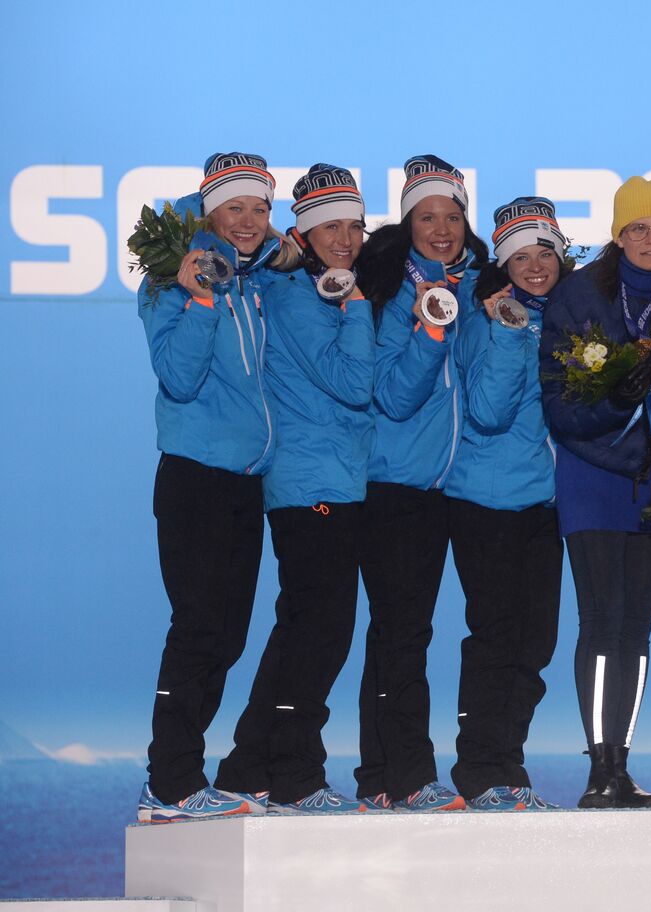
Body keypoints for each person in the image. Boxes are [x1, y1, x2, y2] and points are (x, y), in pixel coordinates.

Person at [136, 152, 299, 821]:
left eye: (261, 208)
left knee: (226, 635)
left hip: (243, 482)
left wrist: (284, 261)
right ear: (208, 212)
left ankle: (181, 781)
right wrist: (201, 294)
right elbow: (175, 375)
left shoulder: (253, 277)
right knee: (200, 629)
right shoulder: (171, 279)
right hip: (194, 478)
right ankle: (168, 783)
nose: (251, 220)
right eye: (236, 207)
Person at [212, 164, 374, 813]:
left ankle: (248, 764)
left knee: (305, 628)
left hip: (328, 481)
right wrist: (358, 310)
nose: (345, 238)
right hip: (311, 486)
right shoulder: (295, 295)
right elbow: (353, 383)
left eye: (354, 225)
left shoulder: (311, 287)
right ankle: (297, 773)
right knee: (320, 633)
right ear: (303, 233)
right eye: (329, 226)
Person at [541, 178, 651, 808]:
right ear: (618, 234)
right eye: (638, 228)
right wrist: (621, 400)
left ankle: (622, 765)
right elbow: (561, 409)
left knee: (637, 625)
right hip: (594, 477)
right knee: (600, 622)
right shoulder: (578, 295)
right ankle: (598, 770)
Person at [351, 155, 489, 812]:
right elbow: (396, 395)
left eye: (452, 216)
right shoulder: (389, 288)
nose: (441, 228)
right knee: (404, 633)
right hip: (393, 485)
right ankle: (410, 776)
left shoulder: (467, 283)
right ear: (407, 224)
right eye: (427, 216)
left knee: (394, 632)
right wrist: (434, 325)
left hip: (436, 487)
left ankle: (377, 776)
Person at [442, 197, 567, 810]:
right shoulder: (485, 315)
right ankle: (479, 770)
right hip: (484, 500)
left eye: (545, 252)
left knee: (535, 642)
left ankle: (507, 767)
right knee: (496, 637)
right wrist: (510, 331)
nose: (535, 265)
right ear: (502, 261)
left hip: (541, 503)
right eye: (521, 255)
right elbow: (488, 412)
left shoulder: (562, 315)